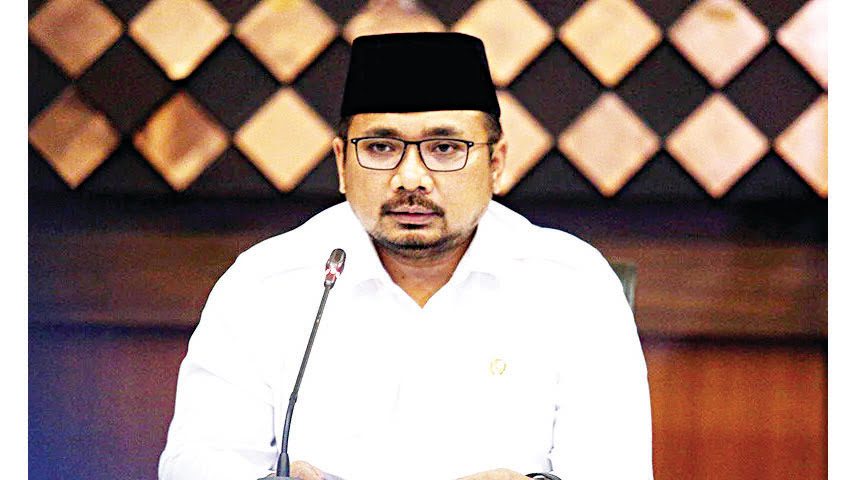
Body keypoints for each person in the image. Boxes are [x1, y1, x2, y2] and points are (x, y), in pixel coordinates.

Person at [159, 32, 653, 480]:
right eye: (380, 147)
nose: (410, 178)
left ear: (496, 162)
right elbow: (197, 461)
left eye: (445, 148)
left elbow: (615, 471)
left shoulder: (573, 285)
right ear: (342, 162)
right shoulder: (266, 283)